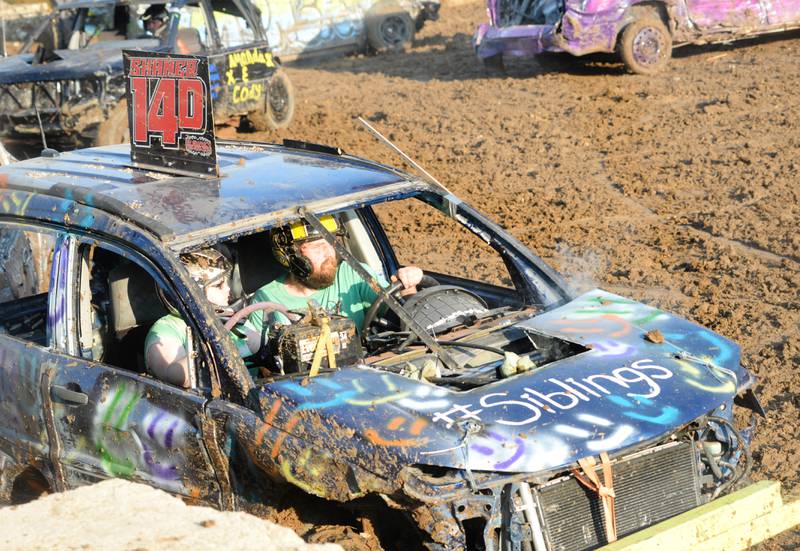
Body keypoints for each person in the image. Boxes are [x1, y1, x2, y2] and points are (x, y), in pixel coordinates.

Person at [247, 215, 423, 334]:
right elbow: (258, 369)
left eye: (331, 242)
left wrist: (408, 286)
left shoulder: (354, 273)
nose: (329, 253)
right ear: (289, 256)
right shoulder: (266, 301)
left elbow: (404, 320)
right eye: (317, 247)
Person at [145, 248, 260, 388]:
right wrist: (223, 348)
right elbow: (178, 376)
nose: (227, 289)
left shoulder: (230, 316)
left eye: (226, 282)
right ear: (192, 293)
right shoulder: (165, 329)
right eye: (218, 285)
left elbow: (257, 344)